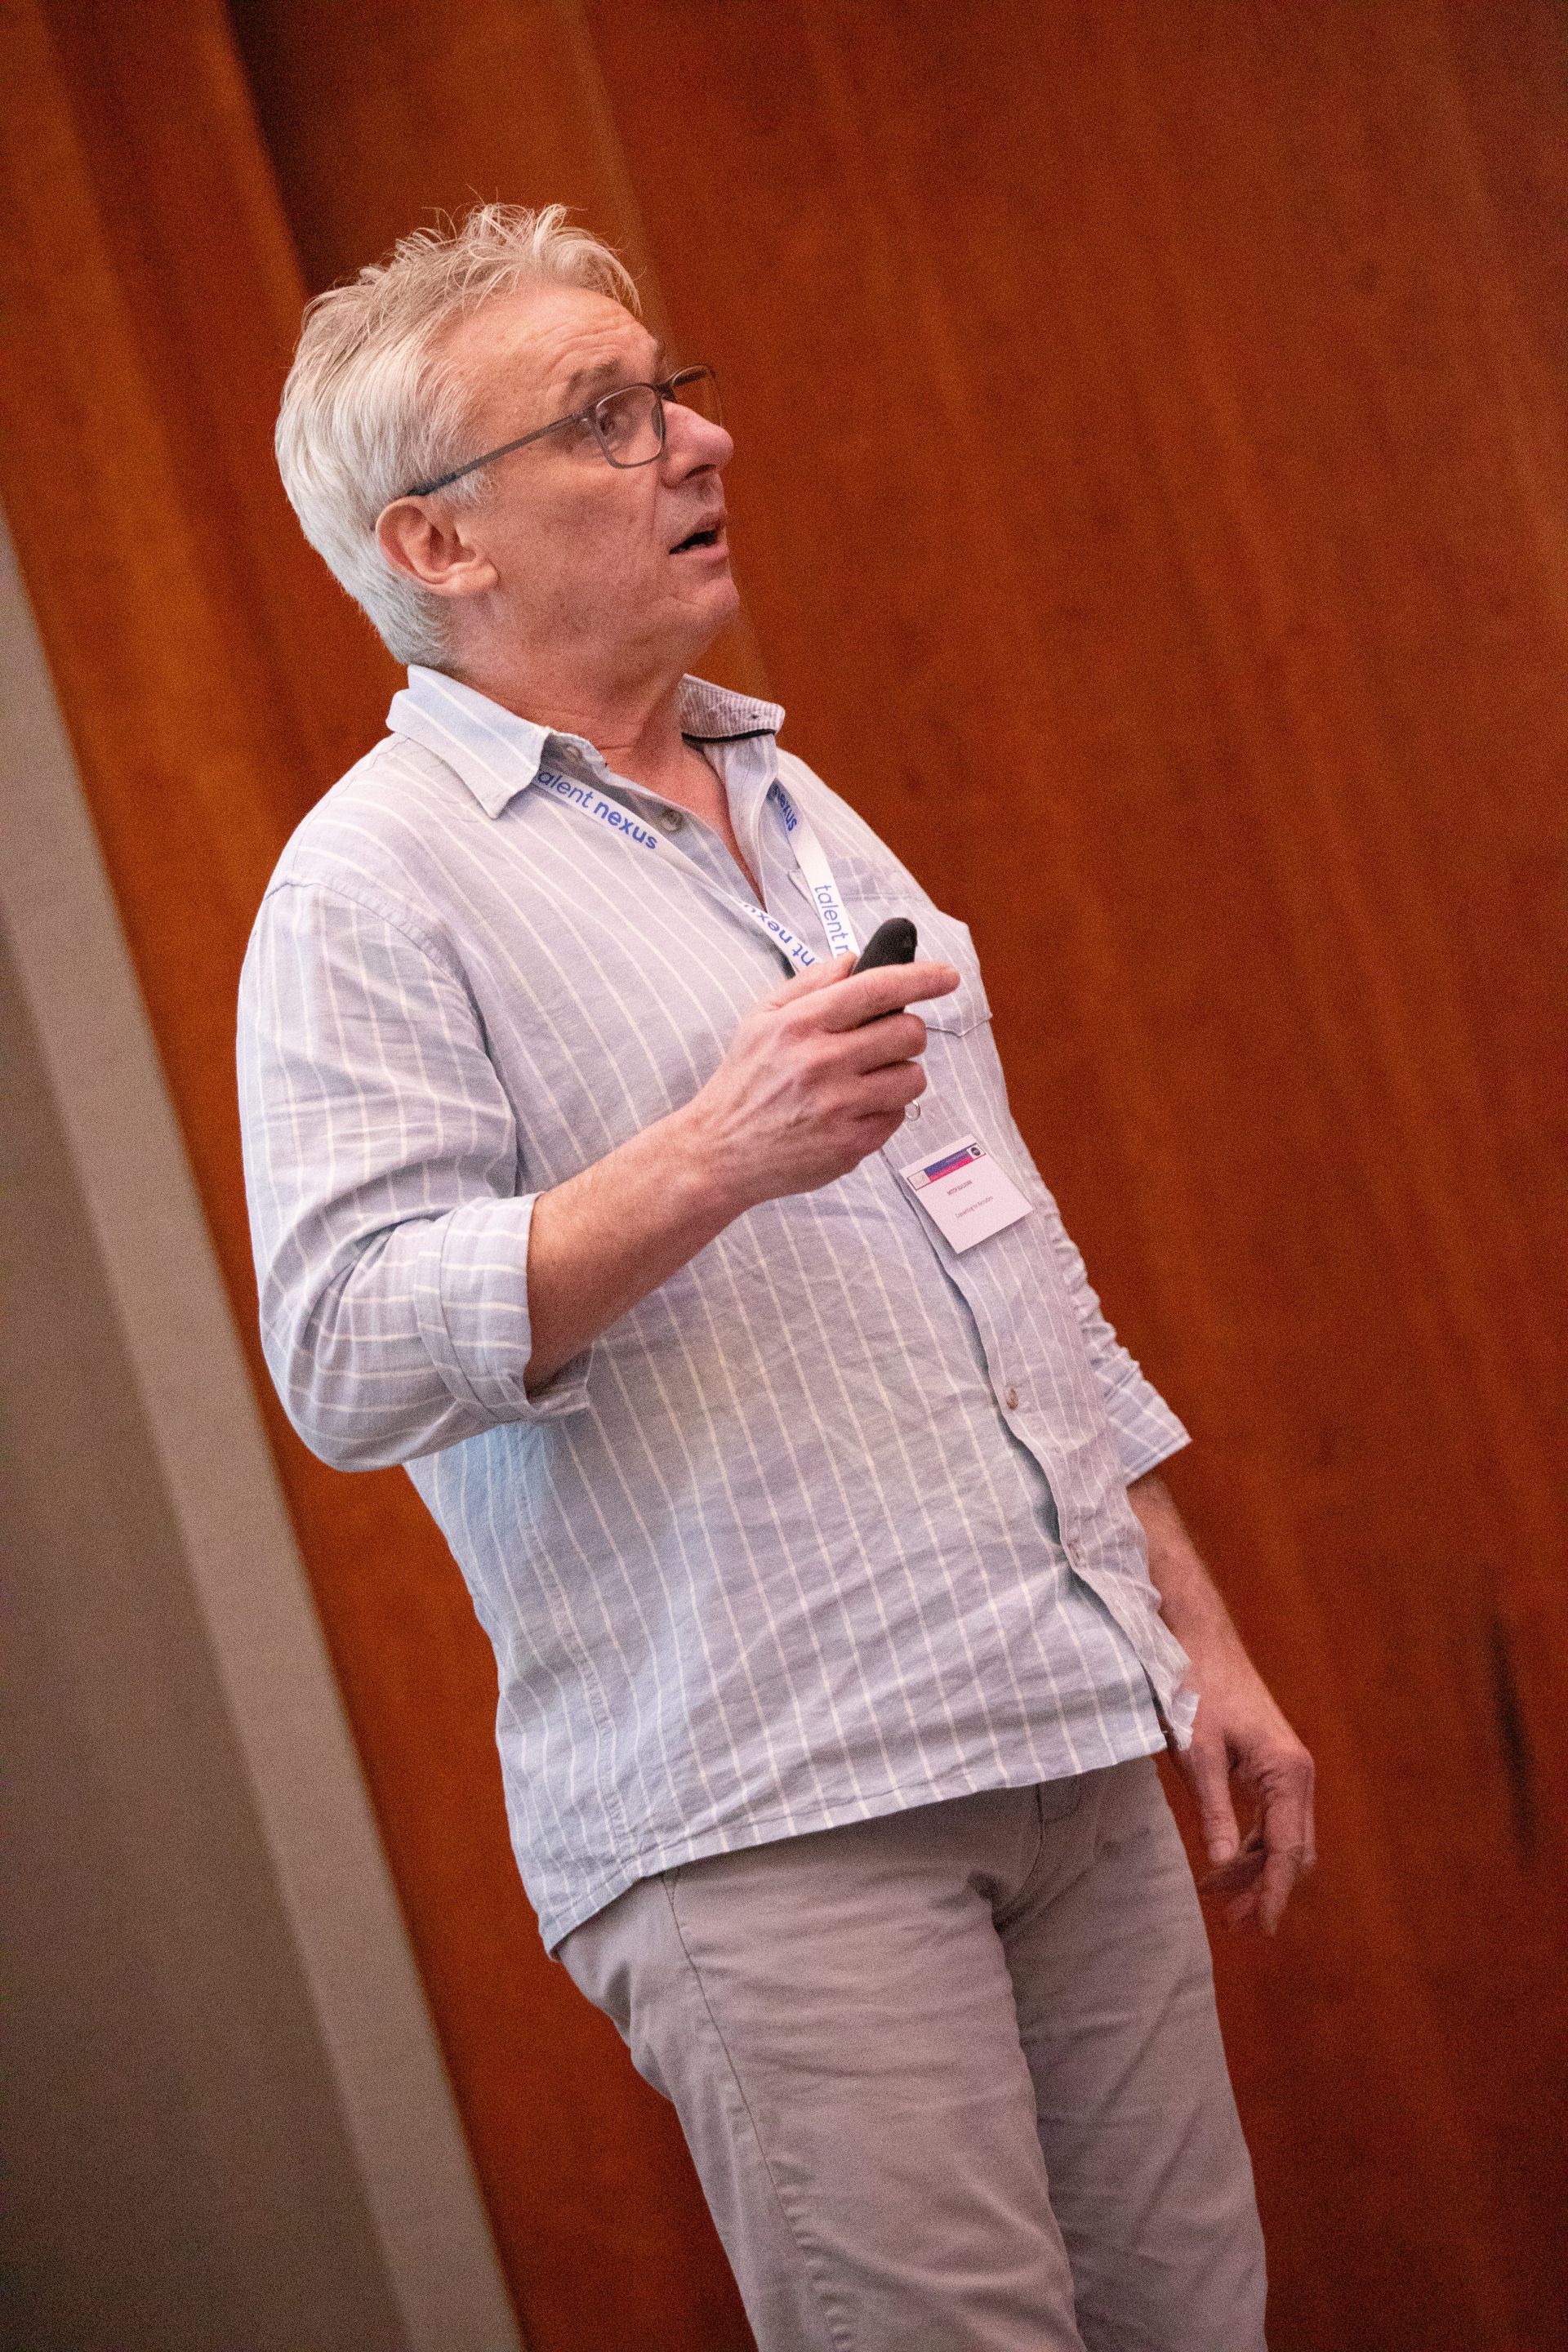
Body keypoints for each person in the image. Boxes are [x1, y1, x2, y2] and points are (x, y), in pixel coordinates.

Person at [241, 203, 1314, 2352]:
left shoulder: (793, 801)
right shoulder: (371, 882)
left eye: (674, 391)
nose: (698, 442)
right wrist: (712, 1154)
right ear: (436, 542)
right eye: (606, 420)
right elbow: (345, 1345)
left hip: (1052, 1715)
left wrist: (1185, 1626)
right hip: (775, 1808)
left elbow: (999, 1241)